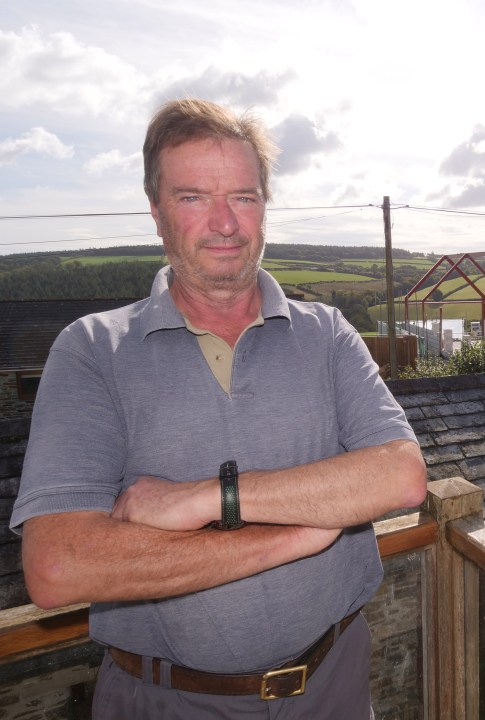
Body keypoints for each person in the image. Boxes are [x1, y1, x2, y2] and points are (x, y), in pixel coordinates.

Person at [10, 98, 427, 719]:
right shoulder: (93, 349)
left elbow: (401, 473)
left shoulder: (328, 333)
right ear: (156, 213)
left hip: (333, 687)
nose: (225, 222)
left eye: (244, 196)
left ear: (264, 208)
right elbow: (58, 565)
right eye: (193, 197)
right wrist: (297, 536)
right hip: (163, 700)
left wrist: (206, 499)